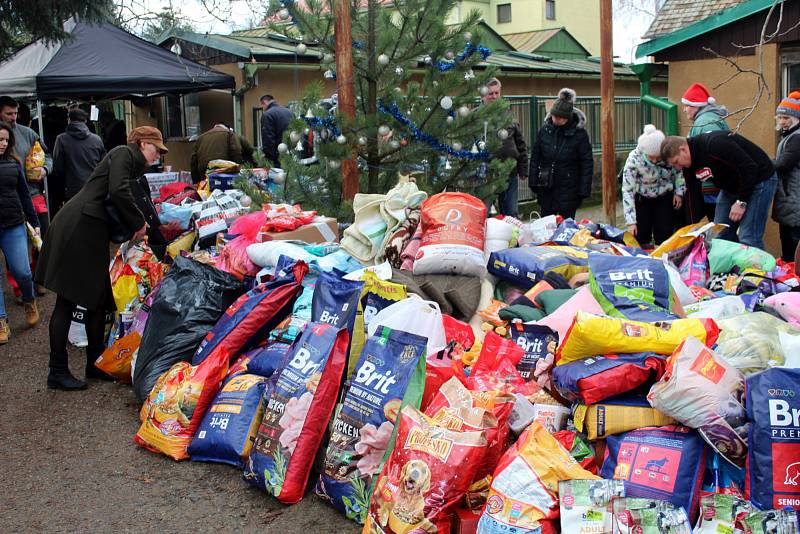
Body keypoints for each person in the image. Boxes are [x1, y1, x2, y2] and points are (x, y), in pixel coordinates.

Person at [35, 126, 166, 391]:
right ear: (142, 144)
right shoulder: (123, 153)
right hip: (79, 227)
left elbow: (123, 193)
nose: (158, 156)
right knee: (67, 300)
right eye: (156, 149)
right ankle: (57, 370)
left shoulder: (130, 162)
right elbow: (118, 191)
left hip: (89, 229)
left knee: (99, 299)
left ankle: (94, 364)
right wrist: (138, 222)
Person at [661, 132, 777, 250]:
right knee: (719, 234)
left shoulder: (714, 144)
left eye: (676, 161)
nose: (678, 167)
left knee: (748, 237)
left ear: (683, 149)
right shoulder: (688, 166)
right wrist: (691, 230)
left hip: (759, 178)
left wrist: (741, 202)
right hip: (731, 186)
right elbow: (692, 195)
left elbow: (749, 167)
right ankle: (729, 267)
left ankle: (755, 267)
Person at [0, 121, 41, 343]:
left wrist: (34, 222)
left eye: (6, 140)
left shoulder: (14, 164)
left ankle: (29, 299)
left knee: (23, 272)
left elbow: (25, 195)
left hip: (14, 223)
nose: (3, 144)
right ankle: (1, 321)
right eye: (0, 139)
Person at [529, 88, 593, 220]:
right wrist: (533, 182)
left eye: (560, 117)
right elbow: (535, 158)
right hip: (546, 186)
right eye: (554, 116)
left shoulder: (579, 134)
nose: (556, 119)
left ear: (567, 118)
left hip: (569, 189)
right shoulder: (544, 131)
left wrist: (583, 190)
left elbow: (586, 163)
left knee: (566, 226)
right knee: (546, 225)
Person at [622, 125, 685, 246]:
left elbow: (678, 172)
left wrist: (679, 192)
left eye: (658, 157)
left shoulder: (667, 155)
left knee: (665, 235)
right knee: (640, 235)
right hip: (642, 199)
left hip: (665, 197)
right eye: (651, 157)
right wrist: (631, 222)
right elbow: (627, 191)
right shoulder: (633, 160)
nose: (655, 161)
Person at [0, 96, 53, 237]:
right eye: (9, 114)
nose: (13, 117)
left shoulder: (28, 133)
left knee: (42, 241)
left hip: (32, 195)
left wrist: (45, 169)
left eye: (15, 113)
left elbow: (47, 156)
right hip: (8, 203)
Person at [681, 83, 730, 224]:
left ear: (697, 105)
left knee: (720, 229)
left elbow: (715, 154)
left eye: (687, 105)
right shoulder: (707, 120)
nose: (684, 110)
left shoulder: (706, 123)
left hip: (713, 188)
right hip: (713, 186)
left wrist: (703, 176)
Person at [481, 78, 527, 217]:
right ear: (483, 95)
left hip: (509, 173)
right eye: (490, 94)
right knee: (485, 214)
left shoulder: (509, 115)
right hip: (485, 175)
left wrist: (523, 169)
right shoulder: (476, 117)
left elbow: (520, 144)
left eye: (497, 93)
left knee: (511, 214)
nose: (494, 96)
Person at [51, 108, 106, 215]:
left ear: (69, 120)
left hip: (71, 190)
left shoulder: (61, 139)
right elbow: (103, 165)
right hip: (94, 188)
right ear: (85, 121)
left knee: (73, 220)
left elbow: (58, 168)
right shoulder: (97, 139)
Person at [771, 91, 800, 262]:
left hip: (794, 201)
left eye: (786, 118)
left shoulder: (796, 139)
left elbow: (783, 164)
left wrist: (763, 162)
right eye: (780, 117)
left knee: (793, 248)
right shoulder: (790, 137)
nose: (782, 122)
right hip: (790, 200)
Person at [190, 122, 255, 183]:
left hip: (204, 171)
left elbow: (193, 161)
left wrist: (196, 181)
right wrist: (237, 168)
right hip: (224, 170)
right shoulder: (229, 133)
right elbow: (236, 150)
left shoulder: (201, 138)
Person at [260, 95, 293, 168]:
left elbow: (268, 139)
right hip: (290, 155)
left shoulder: (267, 115)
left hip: (276, 159)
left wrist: (268, 158)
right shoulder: (289, 112)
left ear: (264, 103)